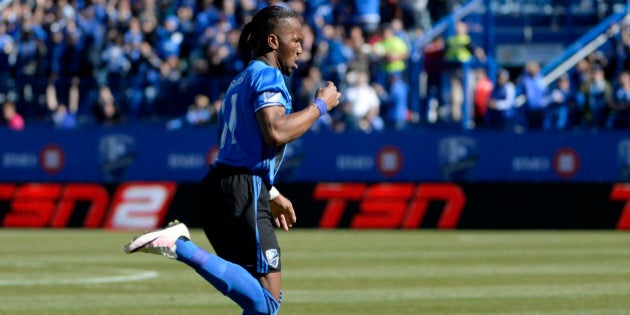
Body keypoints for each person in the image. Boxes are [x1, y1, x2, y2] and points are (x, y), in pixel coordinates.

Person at [124, 6, 341, 315]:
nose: (301, 49)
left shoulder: (242, 79)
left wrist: (272, 192)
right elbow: (276, 131)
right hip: (241, 191)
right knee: (267, 301)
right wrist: (321, 105)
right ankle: (179, 245)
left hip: (221, 187)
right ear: (273, 41)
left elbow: (242, 144)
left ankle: (179, 245)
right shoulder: (268, 75)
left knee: (254, 300)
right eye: (296, 39)